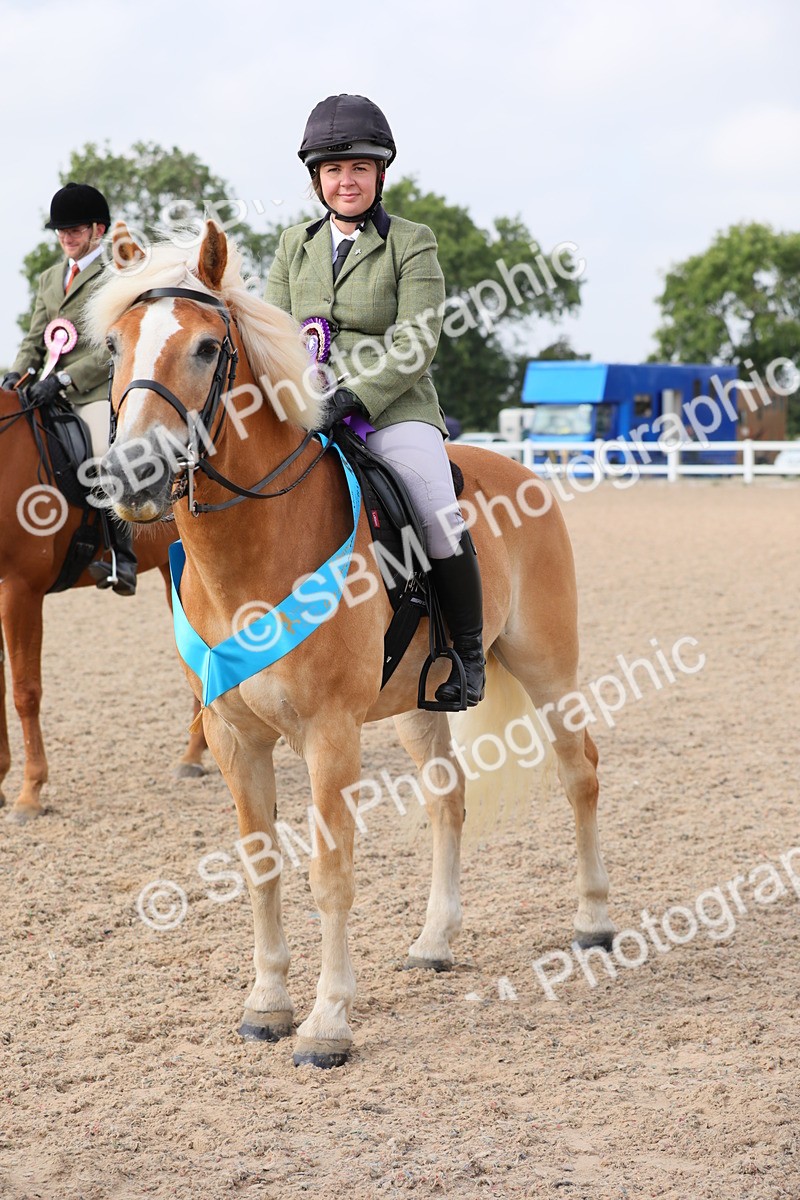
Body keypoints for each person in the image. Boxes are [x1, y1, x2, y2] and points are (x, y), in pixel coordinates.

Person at [265, 94, 485, 706]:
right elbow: (277, 331)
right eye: (334, 170)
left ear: (380, 172)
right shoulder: (293, 246)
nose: (347, 180)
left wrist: (355, 397)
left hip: (394, 406)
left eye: (359, 167)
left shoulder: (412, 242)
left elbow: (419, 340)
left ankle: (466, 655)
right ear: (317, 179)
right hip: (306, 403)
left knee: (436, 508)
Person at [2, 182, 137, 595]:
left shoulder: (115, 274)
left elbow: (114, 345)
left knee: (102, 455)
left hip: (93, 392)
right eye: (61, 231)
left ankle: (119, 555)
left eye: (75, 230)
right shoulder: (49, 278)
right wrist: (15, 377)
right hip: (42, 388)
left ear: (99, 230)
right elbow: (35, 337)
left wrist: (64, 378)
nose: (66, 238)